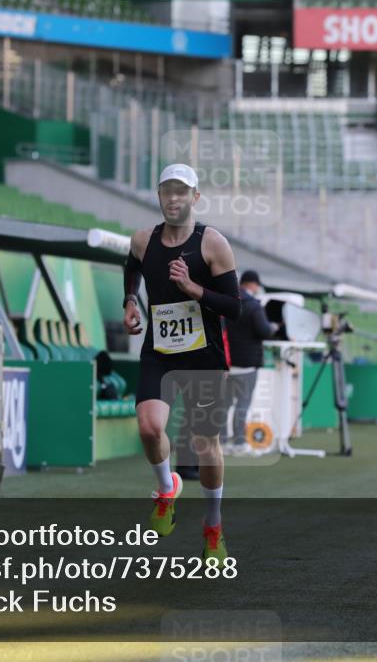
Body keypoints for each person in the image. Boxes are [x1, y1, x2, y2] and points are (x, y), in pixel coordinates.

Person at [123, 163, 241, 566]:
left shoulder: (213, 245)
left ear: (195, 197)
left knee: (205, 444)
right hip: (159, 351)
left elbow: (235, 308)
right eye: (166, 191)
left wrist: (194, 289)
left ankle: (213, 526)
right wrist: (129, 301)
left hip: (204, 356)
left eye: (181, 192)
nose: (173, 199)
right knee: (150, 427)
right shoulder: (143, 240)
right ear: (159, 196)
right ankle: (166, 489)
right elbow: (132, 267)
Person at [224, 270, 276, 456]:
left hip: (228, 363)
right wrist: (273, 327)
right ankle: (239, 442)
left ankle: (221, 443)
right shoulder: (254, 306)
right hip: (247, 364)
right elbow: (264, 331)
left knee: (225, 404)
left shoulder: (226, 302)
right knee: (242, 405)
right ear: (252, 284)